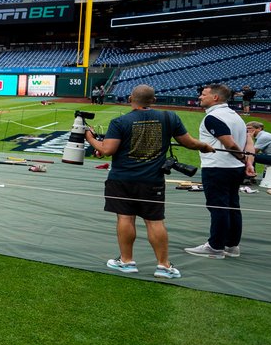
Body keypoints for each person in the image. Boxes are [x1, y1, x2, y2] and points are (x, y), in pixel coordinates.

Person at [83, 84, 210, 278]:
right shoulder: (170, 117)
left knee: (125, 218)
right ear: (154, 100)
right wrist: (205, 147)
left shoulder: (120, 121)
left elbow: (107, 150)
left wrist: (90, 138)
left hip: (122, 179)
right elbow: (189, 143)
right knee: (155, 221)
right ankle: (164, 266)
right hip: (152, 180)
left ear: (130, 99)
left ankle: (126, 262)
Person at [186, 83, 248, 259]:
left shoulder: (213, 117)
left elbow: (230, 144)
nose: (200, 97)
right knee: (232, 206)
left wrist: (242, 158)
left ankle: (215, 247)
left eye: (204, 94)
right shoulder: (235, 115)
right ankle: (232, 245)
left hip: (218, 168)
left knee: (218, 207)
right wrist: (244, 162)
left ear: (215, 97)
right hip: (234, 169)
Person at [245, 120, 271, 192]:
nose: (247, 130)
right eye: (246, 128)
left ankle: (248, 177)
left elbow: (253, 151)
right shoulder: (264, 135)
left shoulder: (264, 137)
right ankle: (251, 176)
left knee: (249, 156)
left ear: (259, 129)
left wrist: (250, 138)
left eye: (250, 128)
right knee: (250, 155)